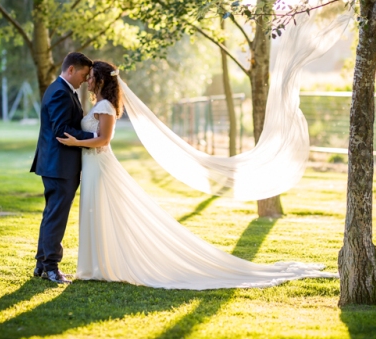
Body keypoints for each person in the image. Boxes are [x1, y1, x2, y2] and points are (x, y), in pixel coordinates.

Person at [56, 60, 336, 290]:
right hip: (92, 165)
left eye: (91, 76)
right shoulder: (99, 104)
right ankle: (96, 265)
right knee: (95, 212)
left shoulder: (105, 107)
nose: (88, 79)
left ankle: (100, 266)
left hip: (100, 164)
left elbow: (103, 140)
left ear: (101, 80)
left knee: (101, 210)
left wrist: (75, 142)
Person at [30, 52, 95, 285]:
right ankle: (51, 268)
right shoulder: (60, 92)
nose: (86, 80)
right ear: (71, 70)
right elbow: (61, 130)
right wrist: (95, 136)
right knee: (56, 217)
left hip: (56, 165)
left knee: (51, 215)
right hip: (58, 166)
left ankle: (41, 264)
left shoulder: (62, 89)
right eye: (83, 74)